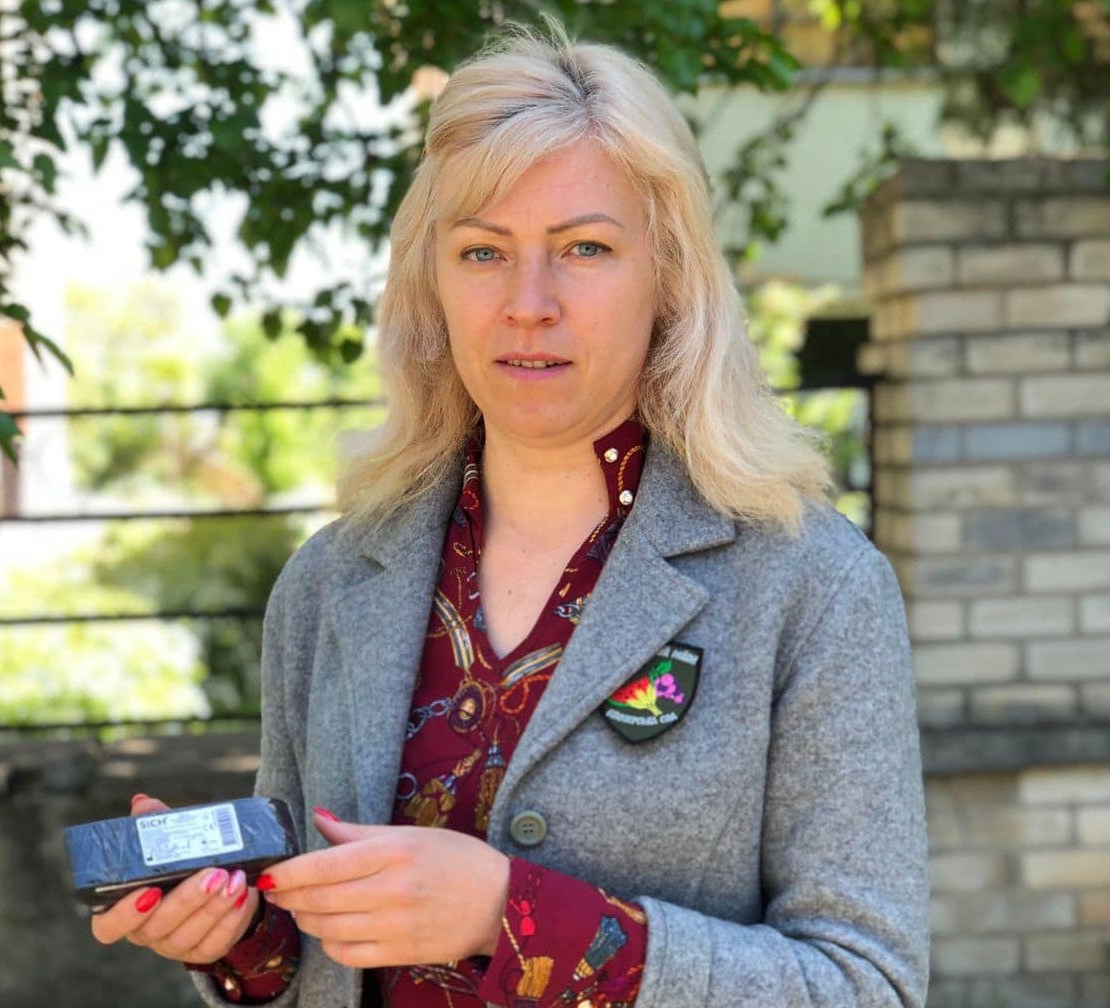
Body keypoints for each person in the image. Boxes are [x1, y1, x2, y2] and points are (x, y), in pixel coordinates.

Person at [91, 21, 930, 1008]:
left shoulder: (813, 588)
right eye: (484, 252)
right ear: (433, 284)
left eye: (584, 247)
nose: (529, 302)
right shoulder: (328, 584)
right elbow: (311, 957)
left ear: (668, 279)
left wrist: (513, 919)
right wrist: (238, 938)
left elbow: (866, 985)